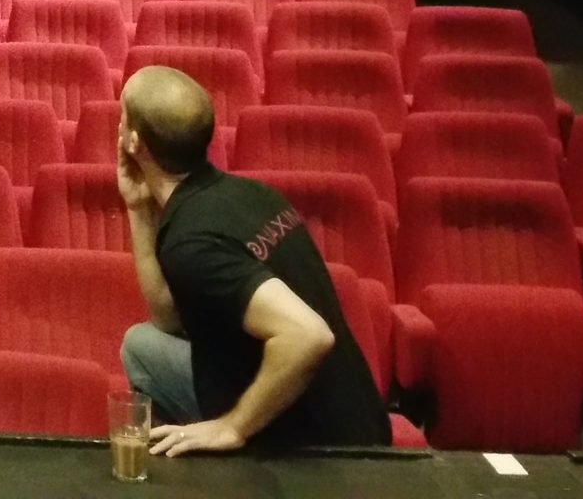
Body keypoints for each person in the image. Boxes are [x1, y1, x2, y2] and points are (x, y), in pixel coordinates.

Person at [117, 65, 391, 454]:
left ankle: (220, 460)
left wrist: (233, 426)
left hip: (325, 451)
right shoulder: (252, 194)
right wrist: (138, 208)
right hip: (358, 414)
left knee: (148, 356)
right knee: (142, 345)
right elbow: (168, 318)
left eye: (122, 116)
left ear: (133, 141)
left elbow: (309, 335)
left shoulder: (194, 243)